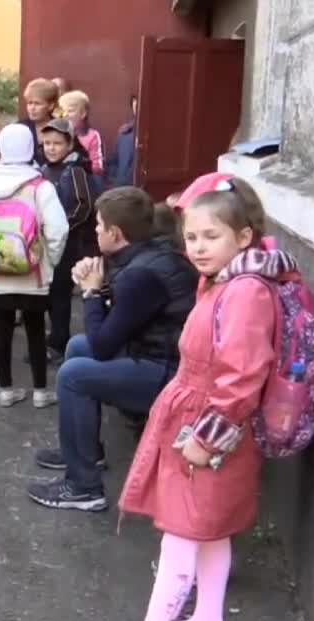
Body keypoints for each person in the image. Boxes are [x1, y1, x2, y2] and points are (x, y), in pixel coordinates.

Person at [100, 177, 285, 621]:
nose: (198, 247)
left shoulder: (245, 292)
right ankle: (207, 618)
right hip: (197, 419)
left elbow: (244, 377)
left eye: (211, 236)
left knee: (181, 534)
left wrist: (206, 439)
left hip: (208, 431)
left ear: (243, 237)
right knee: (209, 528)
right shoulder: (224, 282)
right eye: (192, 236)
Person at [28, 187, 197, 512]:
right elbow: (120, 322)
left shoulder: (142, 274)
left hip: (169, 373)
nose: (95, 231)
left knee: (74, 375)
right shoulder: (146, 255)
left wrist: (91, 293)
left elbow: (105, 345)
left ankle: (83, 487)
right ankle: (85, 449)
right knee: (78, 347)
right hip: (156, 354)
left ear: (116, 233)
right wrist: (100, 283)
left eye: (98, 226)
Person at [0, 124, 68, 408]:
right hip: (32, 274)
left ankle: (6, 390)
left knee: (2, 328)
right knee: (35, 330)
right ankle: (39, 391)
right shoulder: (41, 186)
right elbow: (58, 230)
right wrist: (49, 260)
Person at [39, 118, 97, 363]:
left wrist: (61, 228)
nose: (51, 148)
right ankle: (53, 338)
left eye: (57, 143)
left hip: (69, 244)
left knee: (60, 295)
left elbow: (84, 206)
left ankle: (59, 343)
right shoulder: (44, 170)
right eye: (47, 143)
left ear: (69, 144)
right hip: (48, 243)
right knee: (49, 293)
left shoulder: (74, 170)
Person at [59, 90, 105, 179]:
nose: (65, 115)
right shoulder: (57, 134)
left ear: (83, 113)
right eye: (62, 111)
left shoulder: (92, 136)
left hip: (84, 179)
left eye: (70, 111)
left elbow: (97, 167)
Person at [20, 79, 59, 165]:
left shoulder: (61, 129)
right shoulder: (19, 128)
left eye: (37, 104)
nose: (32, 108)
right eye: (29, 103)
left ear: (50, 106)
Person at [107, 95, 138, 188]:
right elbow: (114, 161)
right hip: (120, 190)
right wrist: (114, 181)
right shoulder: (125, 132)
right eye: (136, 107)